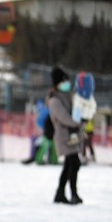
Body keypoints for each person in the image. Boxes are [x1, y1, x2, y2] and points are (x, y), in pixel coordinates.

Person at [48, 66, 84, 204]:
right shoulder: (54, 100)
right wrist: (77, 123)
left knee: (70, 164)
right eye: (64, 81)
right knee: (74, 163)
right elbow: (64, 118)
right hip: (64, 137)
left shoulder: (67, 96)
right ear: (57, 83)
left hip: (71, 135)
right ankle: (73, 194)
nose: (66, 83)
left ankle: (60, 193)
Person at [73, 71, 96, 163]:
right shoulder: (89, 100)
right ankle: (84, 155)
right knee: (84, 142)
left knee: (85, 142)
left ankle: (84, 156)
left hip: (86, 126)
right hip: (84, 125)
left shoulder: (87, 100)